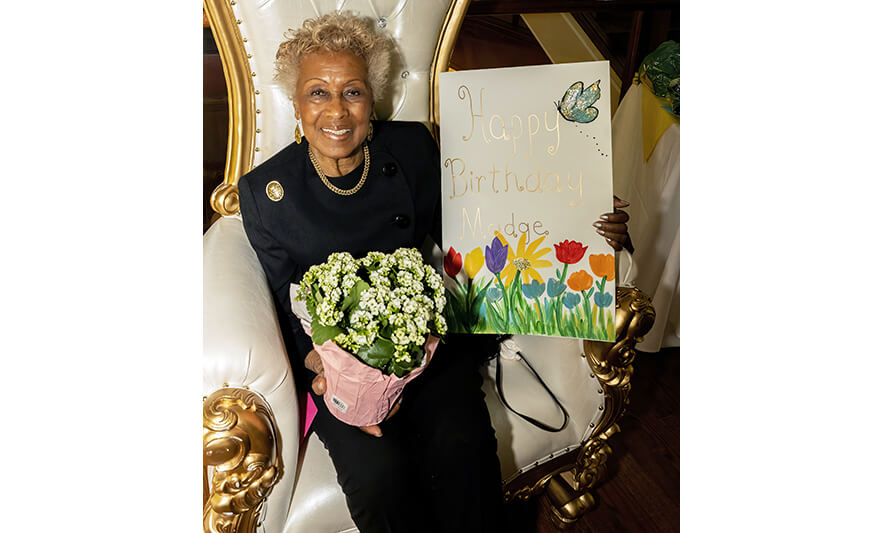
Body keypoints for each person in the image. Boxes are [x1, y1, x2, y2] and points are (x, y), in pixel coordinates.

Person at [237, 12, 631, 533]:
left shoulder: (414, 148)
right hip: (339, 365)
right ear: (297, 103)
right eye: (318, 93)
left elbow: (488, 214)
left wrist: (583, 220)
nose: (336, 110)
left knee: (464, 447)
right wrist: (338, 374)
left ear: (371, 100)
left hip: (431, 337)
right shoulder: (267, 193)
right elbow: (282, 310)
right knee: (378, 478)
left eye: (351, 92)